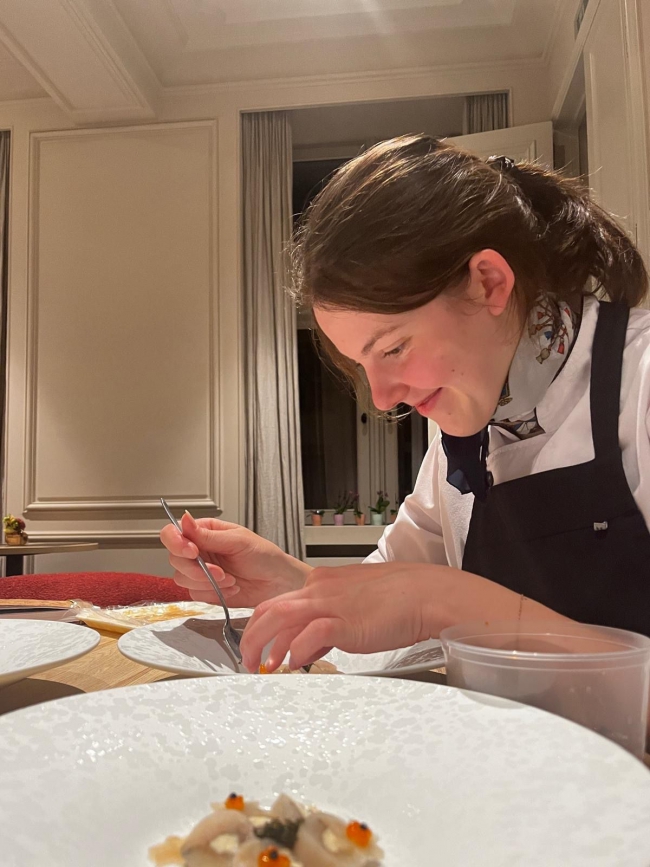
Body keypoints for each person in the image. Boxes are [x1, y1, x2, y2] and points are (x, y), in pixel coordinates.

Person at [161, 135, 650, 675]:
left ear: (489, 282)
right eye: (362, 363)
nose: (382, 397)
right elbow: (396, 583)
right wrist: (290, 583)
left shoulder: (641, 379)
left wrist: (440, 602)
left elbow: (421, 594)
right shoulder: (466, 431)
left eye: (394, 348)